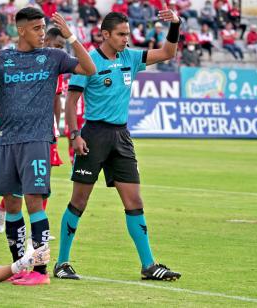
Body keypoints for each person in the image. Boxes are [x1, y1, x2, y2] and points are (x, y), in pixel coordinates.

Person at [0, 7, 95, 286]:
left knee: (34, 202)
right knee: (12, 205)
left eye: (43, 28)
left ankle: (40, 271)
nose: (42, 33)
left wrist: (71, 37)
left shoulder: (53, 57)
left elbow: (89, 68)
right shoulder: (2, 59)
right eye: (37, 28)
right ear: (22, 30)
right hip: (7, 142)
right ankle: (20, 266)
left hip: (37, 141)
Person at [55, 11, 182, 281]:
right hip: (93, 135)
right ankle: (62, 262)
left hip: (121, 138)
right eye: (122, 34)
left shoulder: (131, 57)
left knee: (134, 201)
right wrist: (74, 135)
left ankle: (149, 265)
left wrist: (175, 24)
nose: (127, 39)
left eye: (127, 34)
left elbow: (168, 52)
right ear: (105, 35)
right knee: (79, 201)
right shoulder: (89, 61)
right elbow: (71, 101)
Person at [0, 27, 67, 235]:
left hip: (46, 129)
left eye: (62, 47)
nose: (59, 49)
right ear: (48, 41)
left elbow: (57, 99)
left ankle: (38, 225)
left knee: (43, 181)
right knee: (19, 183)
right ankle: (2, 208)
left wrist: (56, 128)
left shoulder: (54, 63)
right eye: (57, 45)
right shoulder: (27, 62)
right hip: (21, 132)